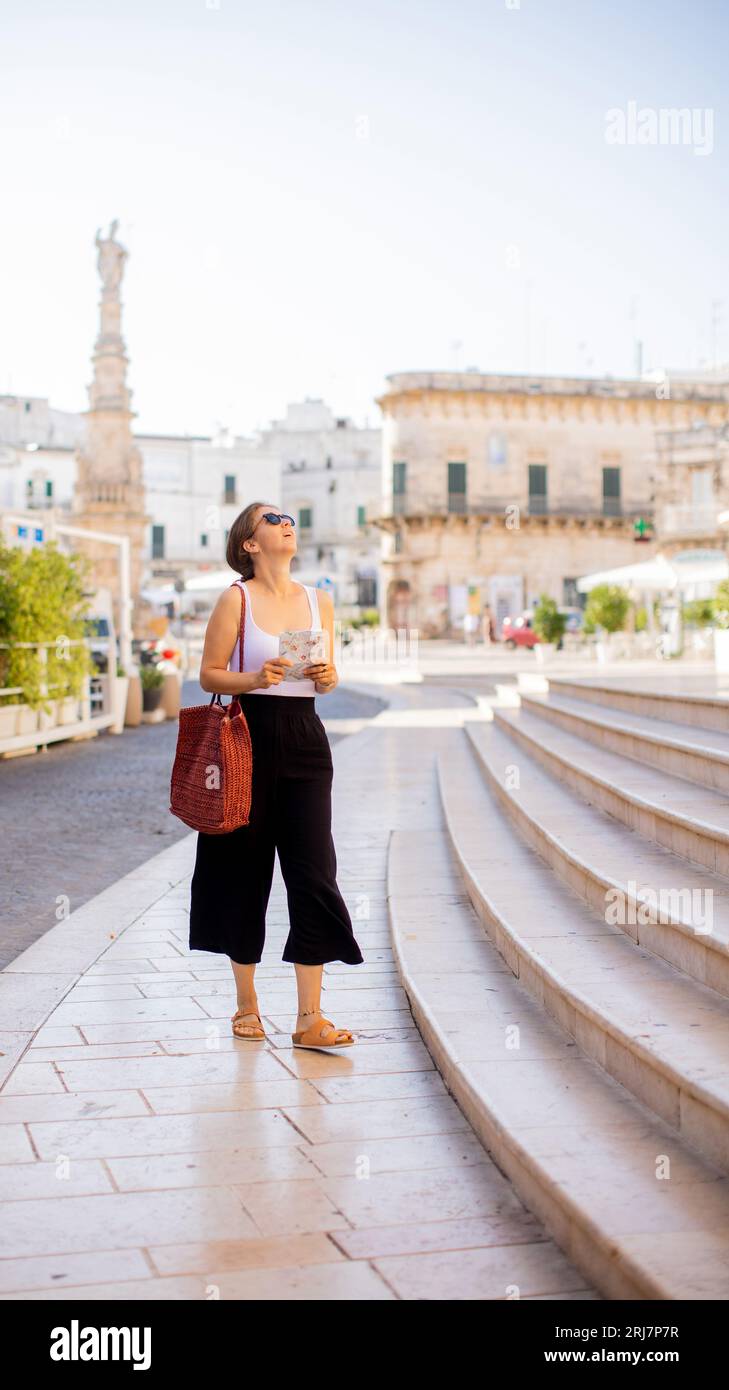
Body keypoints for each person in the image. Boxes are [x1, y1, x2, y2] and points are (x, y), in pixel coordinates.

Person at [189, 501, 364, 1051]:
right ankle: (247, 1005)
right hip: (246, 737)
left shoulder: (319, 601)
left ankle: (309, 1017)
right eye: (273, 518)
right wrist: (251, 677)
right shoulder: (234, 599)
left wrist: (330, 675)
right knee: (243, 868)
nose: (287, 522)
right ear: (249, 542)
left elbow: (324, 680)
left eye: (289, 518)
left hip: (306, 741)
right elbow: (207, 676)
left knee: (315, 872)